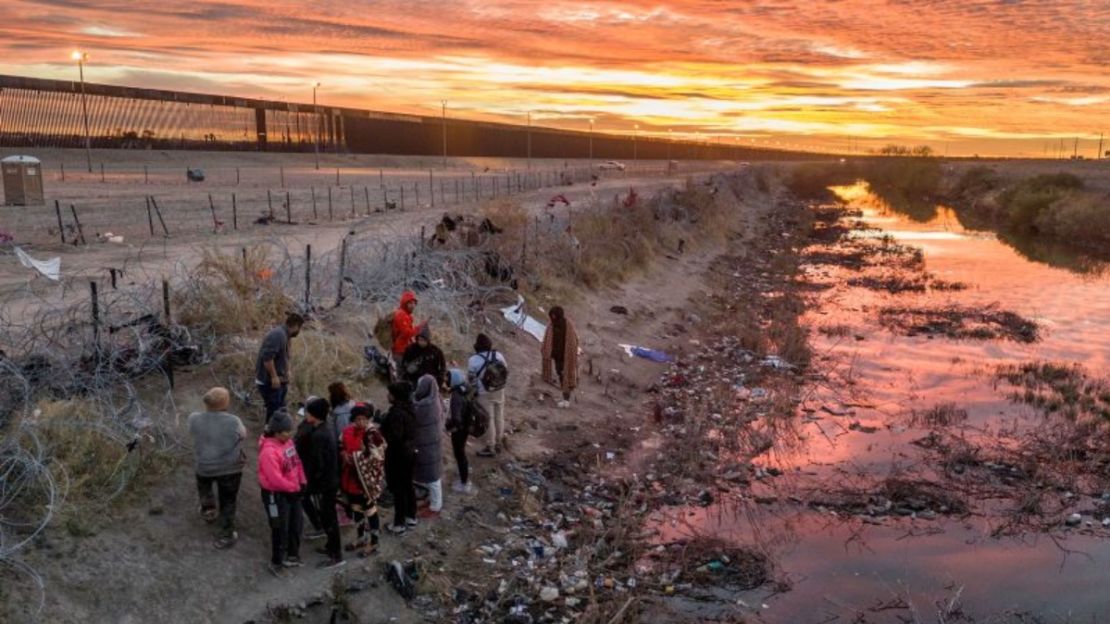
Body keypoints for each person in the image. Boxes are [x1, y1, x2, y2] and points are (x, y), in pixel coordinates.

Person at [187, 387, 246, 550]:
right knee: (228, 501)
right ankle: (226, 534)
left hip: (204, 466)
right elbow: (243, 435)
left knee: (204, 488)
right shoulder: (234, 420)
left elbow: (191, 432)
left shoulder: (194, 418)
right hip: (230, 468)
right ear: (225, 403)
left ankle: (209, 510)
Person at [295, 397, 344, 568]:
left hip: (325, 483)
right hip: (330, 480)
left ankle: (336, 555)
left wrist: (312, 481)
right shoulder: (325, 427)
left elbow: (318, 463)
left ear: (314, 415)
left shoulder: (318, 435)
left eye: (308, 412)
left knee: (329, 517)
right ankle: (331, 547)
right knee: (327, 515)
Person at [258, 409, 306, 578]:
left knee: (296, 523)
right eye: (287, 431)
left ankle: (292, 555)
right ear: (277, 432)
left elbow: (296, 462)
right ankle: (276, 561)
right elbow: (274, 478)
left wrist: (302, 480)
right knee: (279, 527)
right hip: (275, 496)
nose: (290, 434)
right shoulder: (268, 452)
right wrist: (293, 489)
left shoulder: (288, 443)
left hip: (292, 491)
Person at [339, 403, 385, 557]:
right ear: (353, 419)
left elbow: (379, 456)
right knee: (356, 508)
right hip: (350, 478)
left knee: (370, 510)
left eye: (364, 419)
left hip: (366, 480)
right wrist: (343, 453)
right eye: (357, 419)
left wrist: (355, 458)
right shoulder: (346, 432)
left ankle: (375, 542)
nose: (361, 422)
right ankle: (361, 538)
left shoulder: (373, 434)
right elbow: (340, 445)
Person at [381, 381, 418, 534]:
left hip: (398, 455)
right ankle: (411, 516)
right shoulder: (410, 408)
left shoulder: (396, 413)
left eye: (390, 393)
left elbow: (394, 436)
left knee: (398, 490)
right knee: (408, 486)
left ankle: (399, 524)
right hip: (410, 452)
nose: (387, 395)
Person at [255, 312, 304, 423]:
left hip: (280, 381)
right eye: (300, 328)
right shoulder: (277, 335)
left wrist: (287, 371)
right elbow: (267, 358)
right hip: (269, 382)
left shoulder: (285, 336)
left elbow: (283, 357)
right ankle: (269, 435)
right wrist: (274, 377)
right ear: (296, 325)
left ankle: (276, 434)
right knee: (274, 412)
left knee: (280, 409)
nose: (299, 331)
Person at [469, 333, 508, 457]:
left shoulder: (473, 360)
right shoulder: (498, 355)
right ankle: (499, 442)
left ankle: (490, 446)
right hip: (499, 389)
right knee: (499, 415)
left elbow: (471, 379)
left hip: (484, 392)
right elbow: (505, 370)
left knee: (488, 419)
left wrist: (474, 392)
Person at [412, 374, 444, 517]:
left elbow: (414, 414)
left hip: (426, 443)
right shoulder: (436, 400)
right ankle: (433, 501)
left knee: (432, 478)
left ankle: (435, 507)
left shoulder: (424, 405)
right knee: (433, 474)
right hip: (432, 441)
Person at [445, 369, 476, 494]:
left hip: (459, 429)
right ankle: (464, 470)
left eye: (448, 378)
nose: (446, 381)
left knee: (459, 453)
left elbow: (456, 418)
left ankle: (464, 482)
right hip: (467, 425)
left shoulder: (456, 396)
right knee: (462, 451)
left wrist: (449, 426)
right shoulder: (466, 388)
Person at [542, 306, 579, 409]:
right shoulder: (552, 325)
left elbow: (573, 341)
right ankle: (565, 397)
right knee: (561, 375)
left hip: (565, 357)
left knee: (564, 376)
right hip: (557, 356)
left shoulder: (567, 326)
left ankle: (566, 400)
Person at [400, 323, 447, 388]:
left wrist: (439, 380)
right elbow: (404, 364)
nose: (421, 342)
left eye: (423, 340)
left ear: (428, 340)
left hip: (430, 382)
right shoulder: (411, 349)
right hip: (413, 380)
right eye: (419, 340)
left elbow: (443, 367)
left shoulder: (436, 351)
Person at [391, 291, 420, 359]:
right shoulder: (401, 315)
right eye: (410, 303)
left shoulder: (405, 314)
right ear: (404, 303)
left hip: (403, 349)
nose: (413, 306)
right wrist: (419, 328)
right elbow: (407, 333)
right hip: (400, 351)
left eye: (414, 303)